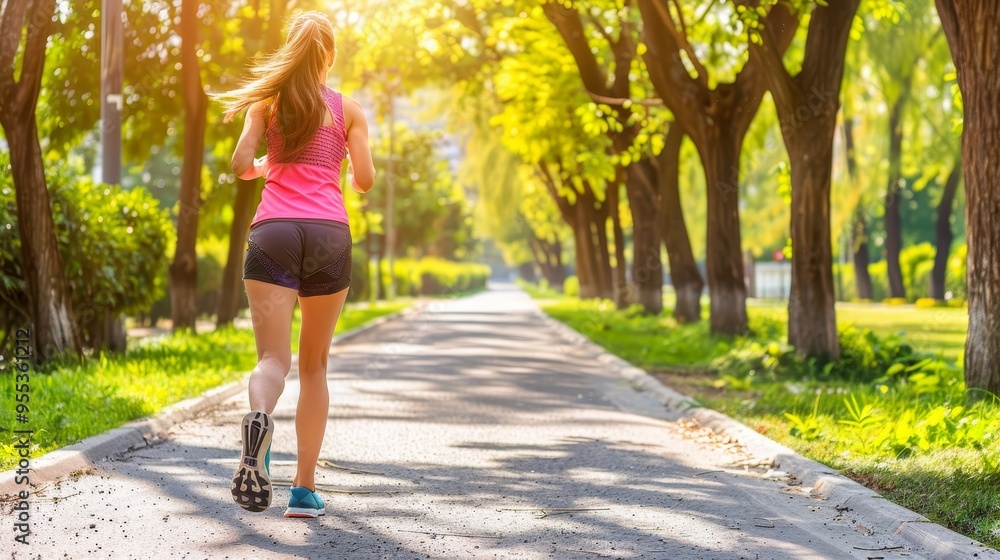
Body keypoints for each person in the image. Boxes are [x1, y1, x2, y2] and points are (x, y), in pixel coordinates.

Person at [211, 10, 375, 518]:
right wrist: (340, 158)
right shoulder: (348, 109)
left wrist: (269, 164)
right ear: (329, 55)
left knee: (273, 360)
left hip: (273, 233)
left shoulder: (267, 102)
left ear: (292, 50)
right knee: (315, 364)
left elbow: (240, 167)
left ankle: (259, 419)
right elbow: (365, 180)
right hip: (328, 234)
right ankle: (303, 490)